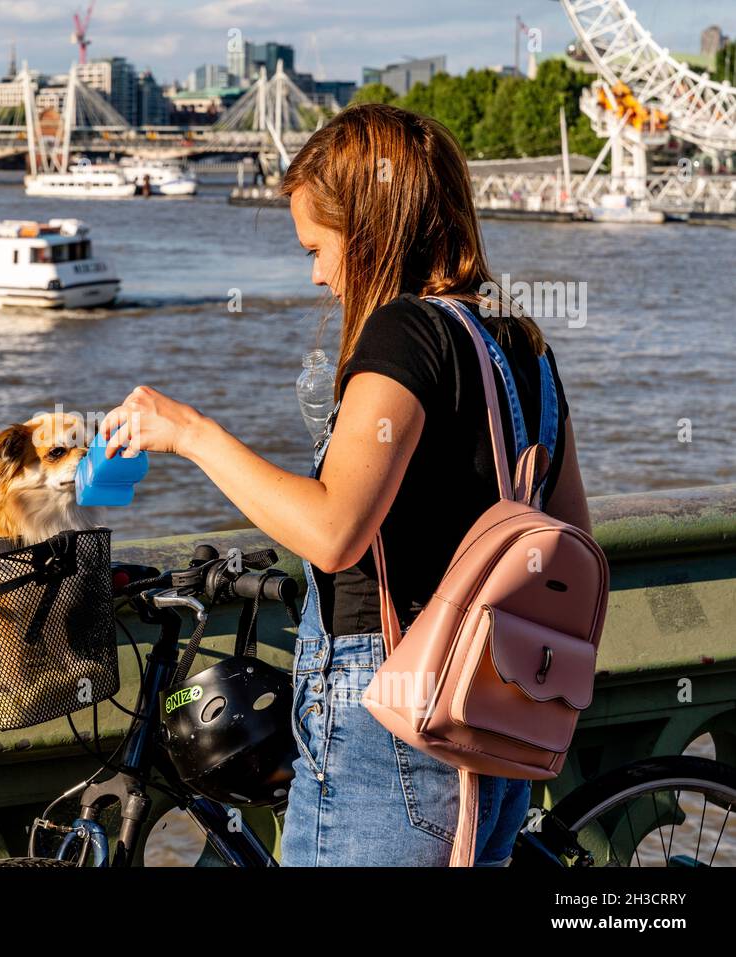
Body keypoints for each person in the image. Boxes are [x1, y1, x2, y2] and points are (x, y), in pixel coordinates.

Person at [98, 103, 592, 866]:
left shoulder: (405, 332)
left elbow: (335, 533)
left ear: (369, 231)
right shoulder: (521, 345)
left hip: (388, 722)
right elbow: (572, 543)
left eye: (318, 248)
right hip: (495, 729)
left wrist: (191, 434)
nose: (320, 275)